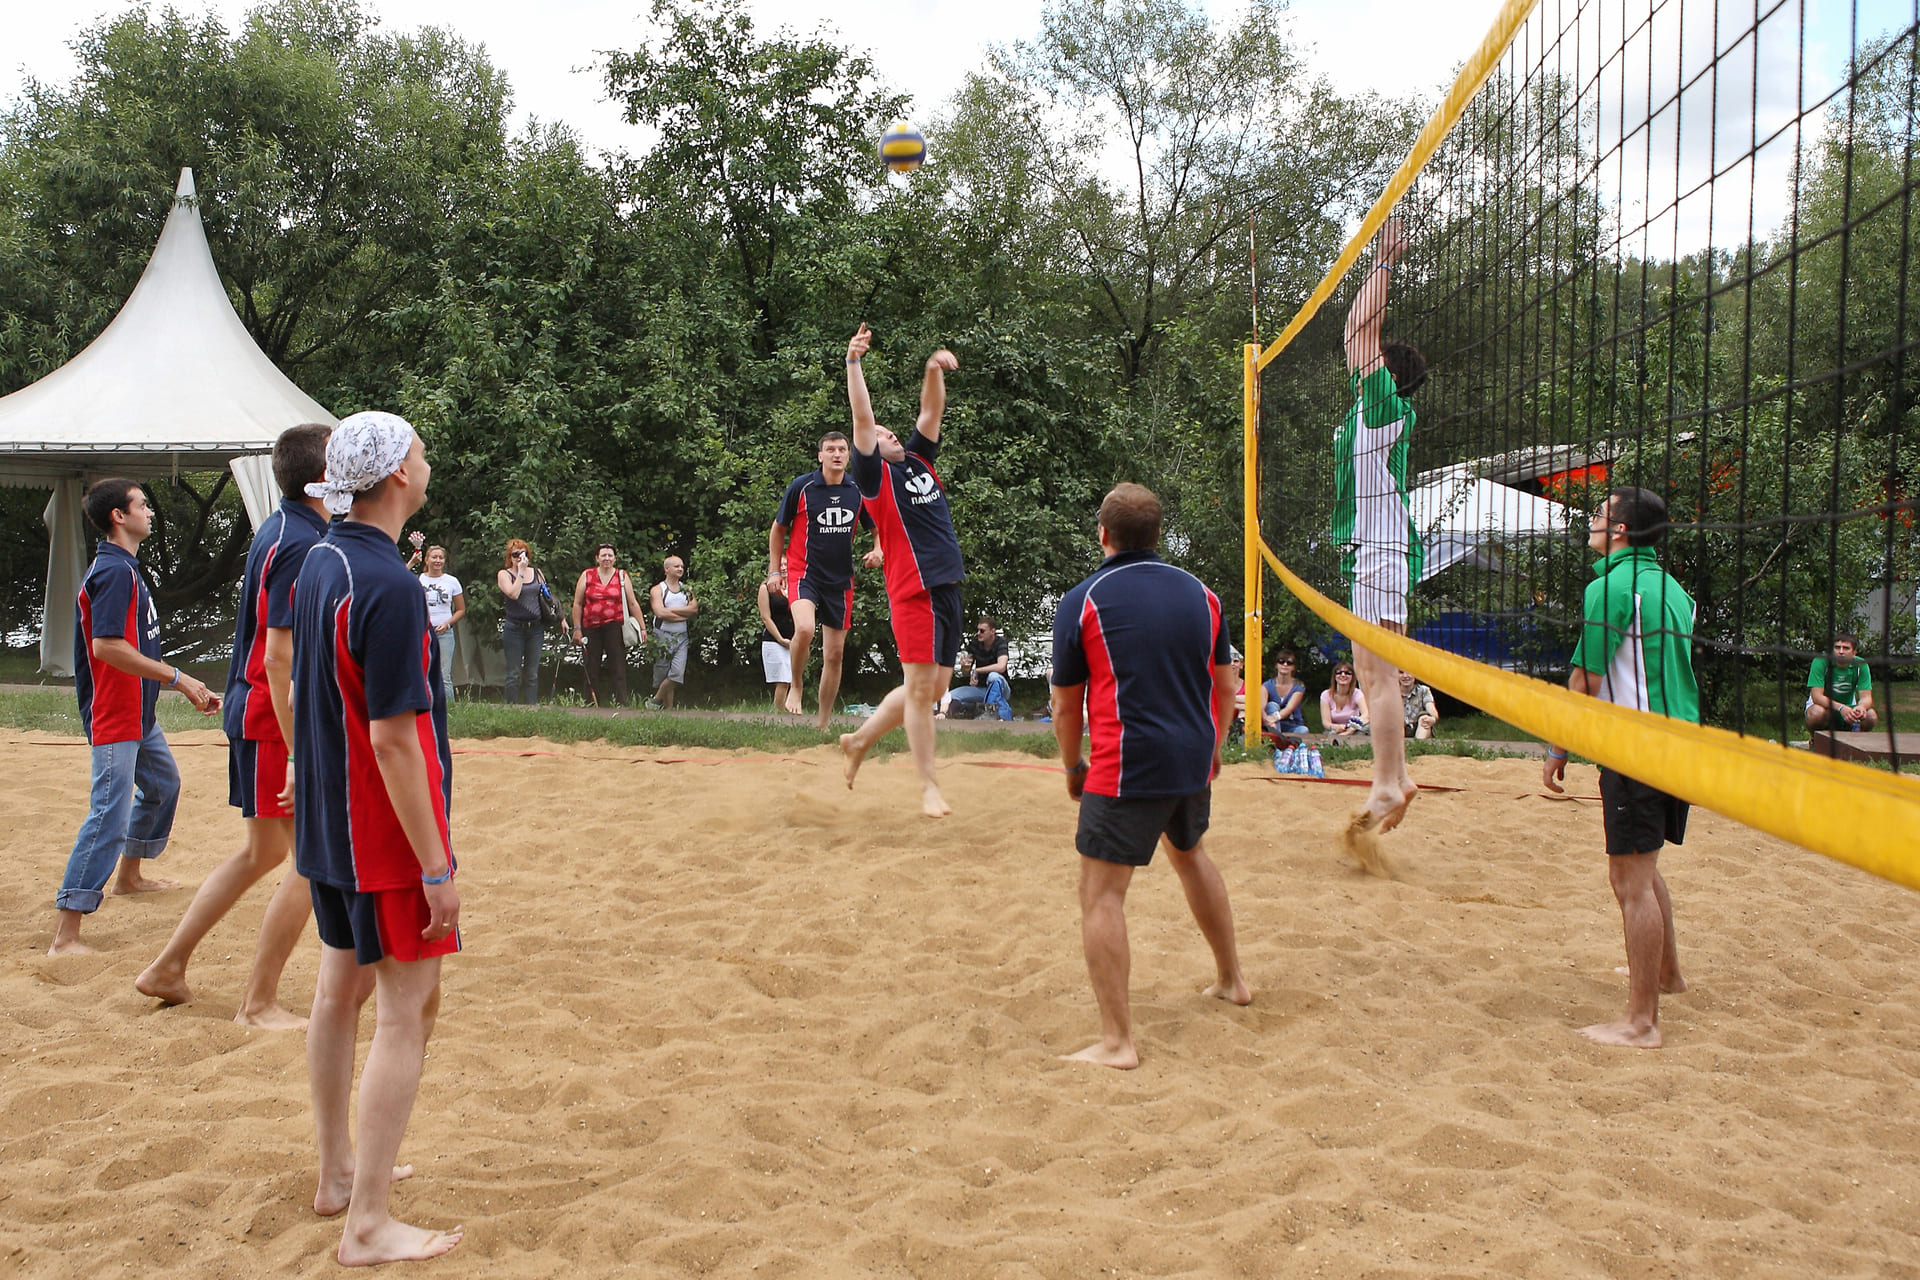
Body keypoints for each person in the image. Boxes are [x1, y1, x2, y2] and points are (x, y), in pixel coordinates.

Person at [292, 411, 463, 1264]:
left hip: (331, 822)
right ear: (397, 473)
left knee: (339, 993)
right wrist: (437, 865)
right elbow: (395, 739)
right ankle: (366, 1223)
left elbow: (309, 688)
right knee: (407, 1010)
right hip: (382, 832)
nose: (428, 463)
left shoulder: (320, 558)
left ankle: (337, 1175)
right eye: (419, 452)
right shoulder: (389, 585)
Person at [134, 424, 329, 1025]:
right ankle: (258, 1003)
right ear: (323, 479)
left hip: (256, 711)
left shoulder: (283, 525)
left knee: (262, 853)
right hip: (272, 718)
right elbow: (278, 656)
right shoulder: (300, 542)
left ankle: (168, 967)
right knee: (310, 862)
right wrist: (298, 752)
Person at [1051, 482, 1250, 1069]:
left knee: (1100, 894)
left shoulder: (1084, 599)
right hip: (1191, 757)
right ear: (1157, 535)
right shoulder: (1202, 594)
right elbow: (1227, 688)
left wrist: (1072, 765)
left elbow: (1065, 706)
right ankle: (1232, 980)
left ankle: (1117, 1043)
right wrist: (1214, 747)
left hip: (1127, 763)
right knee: (1191, 854)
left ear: (1103, 534)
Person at [1543, 486, 1700, 1049]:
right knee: (1646, 866)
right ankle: (1668, 975)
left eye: (1599, 513)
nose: (1591, 520)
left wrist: (1559, 746)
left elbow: (1585, 679)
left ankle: (1641, 1023)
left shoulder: (1610, 587)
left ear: (1621, 531)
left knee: (1629, 880)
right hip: (1681, 745)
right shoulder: (1675, 590)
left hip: (1637, 748)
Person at [48, 480, 221, 955]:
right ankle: (66, 933)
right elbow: (107, 647)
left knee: (163, 786)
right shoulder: (112, 572)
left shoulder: (126, 567)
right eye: (141, 505)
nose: (149, 511)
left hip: (138, 713)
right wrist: (179, 679)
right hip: (114, 714)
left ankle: (129, 877)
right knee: (108, 814)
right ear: (119, 517)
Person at [837, 324, 965, 818]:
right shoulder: (874, 477)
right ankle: (929, 786)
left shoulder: (918, 460)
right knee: (920, 691)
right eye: (882, 434)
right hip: (913, 589)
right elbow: (862, 417)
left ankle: (859, 739)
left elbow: (931, 412)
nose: (889, 434)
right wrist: (854, 363)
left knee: (933, 689)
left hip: (946, 585)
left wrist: (933, 368)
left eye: (893, 432)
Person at [1335, 214, 1425, 852]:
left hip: (1383, 552)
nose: (1358, 363)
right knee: (1373, 671)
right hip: (1375, 551)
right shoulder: (1372, 410)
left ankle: (1390, 782)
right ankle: (1394, 778)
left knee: (1377, 674)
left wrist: (1383, 260)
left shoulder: (1385, 405)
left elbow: (1356, 329)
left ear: (1387, 373)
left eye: (1372, 363)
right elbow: (1357, 338)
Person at [770, 431, 882, 729]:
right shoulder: (802, 487)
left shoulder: (857, 490)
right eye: (830, 449)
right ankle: (796, 684)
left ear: (849, 456)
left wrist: (878, 550)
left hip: (840, 579)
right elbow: (778, 529)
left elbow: (877, 529)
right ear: (820, 455)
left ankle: (822, 723)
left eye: (842, 449)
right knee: (805, 628)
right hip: (803, 572)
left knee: (834, 655)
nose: (836, 454)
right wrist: (774, 570)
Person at [569, 544, 645, 707]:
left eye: (610, 555)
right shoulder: (587, 575)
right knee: (591, 666)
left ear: (615, 558)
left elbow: (632, 603)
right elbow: (577, 603)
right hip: (590, 627)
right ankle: (590, 703)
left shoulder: (622, 576)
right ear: (597, 558)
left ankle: (621, 703)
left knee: (618, 666)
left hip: (614, 626)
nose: (607, 558)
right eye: (603, 555)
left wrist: (642, 628)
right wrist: (577, 628)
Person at [497, 539, 549, 705]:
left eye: (522, 553)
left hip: (535, 628)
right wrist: (520, 573)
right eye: (515, 554)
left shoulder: (537, 573)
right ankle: (511, 708)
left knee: (532, 673)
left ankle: (531, 708)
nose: (519, 557)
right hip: (514, 628)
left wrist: (561, 618)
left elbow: (547, 598)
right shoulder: (504, 574)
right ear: (509, 557)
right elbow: (513, 594)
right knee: (514, 673)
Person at [648, 555, 698, 709]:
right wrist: (682, 614)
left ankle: (655, 701)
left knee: (676, 673)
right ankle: (669, 710)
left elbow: (694, 609)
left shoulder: (687, 590)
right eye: (676, 566)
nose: (680, 569)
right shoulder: (658, 589)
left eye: (682, 566)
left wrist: (670, 611)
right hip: (662, 635)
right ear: (666, 569)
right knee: (663, 673)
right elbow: (660, 612)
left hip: (682, 637)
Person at [416, 546, 464, 701]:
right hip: (422, 632)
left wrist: (447, 624)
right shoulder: (418, 580)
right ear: (426, 560)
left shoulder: (452, 581)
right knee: (421, 673)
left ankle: (449, 710)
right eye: (434, 557)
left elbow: (461, 610)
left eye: (441, 558)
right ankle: (423, 709)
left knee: (444, 676)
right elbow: (399, 581)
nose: (437, 561)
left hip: (444, 633)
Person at [1805, 634, 1876, 732]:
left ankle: (1857, 738)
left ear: (1854, 653)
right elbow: (1817, 697)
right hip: (1824, 708)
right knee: (1816, 713)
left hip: (1849, 707)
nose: (1841, 652)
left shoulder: (1860, 665)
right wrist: (1841, 708)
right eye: (1837, 648)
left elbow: (1866, 697)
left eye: (1846, 648)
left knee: (1871, 716)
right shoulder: (1821, 661)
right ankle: (1815, 738)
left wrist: (1861, 707)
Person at [958, 616, 1015, 721]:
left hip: (1001, 688)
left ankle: (991, 712)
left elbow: (1001, 667)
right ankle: (977, 709)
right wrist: (963, 666)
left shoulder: (1001, 642)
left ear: (992, 631)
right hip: (981, 688)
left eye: (982, 631)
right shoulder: (975, 643)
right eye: (978, 630)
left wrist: (977, 670)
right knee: (952, 696)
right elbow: (966, 673)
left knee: (993, 676)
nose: (978, 633)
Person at [758, 576, 795, 712]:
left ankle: (788, 711)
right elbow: (765, 617)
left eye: (786, 565)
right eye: (781, 566)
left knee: (791, 680)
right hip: (774, 640)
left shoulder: (795, 586)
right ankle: (779, 714)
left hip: (793, 641)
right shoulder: (766, 588)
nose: (784, 568)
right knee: (783, 680)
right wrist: (780, 639)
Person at [1261, 650, 1309, 741]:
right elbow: (1261, 707)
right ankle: (1277, 742)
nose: (1285, 665)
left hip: (1293, 725)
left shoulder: (1299, 686)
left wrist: (1273, 718)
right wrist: (1267, 720)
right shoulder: (1266, 686)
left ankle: (1281, 741)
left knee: (1303, 730)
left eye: (1289, 663)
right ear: (1276, 665)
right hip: (1272, 725)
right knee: (1272, 705)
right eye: (1281, 661)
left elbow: (1289, 708)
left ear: (1293, 667)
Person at [1319, 663, 1369, 739]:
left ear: (1352, 677)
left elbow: (1366, 715)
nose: (1343, 675)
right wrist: (1335, 727)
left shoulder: (1357, 693)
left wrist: (1352, 728)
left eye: (1347, 673)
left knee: (1367, 728)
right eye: (1339, 672)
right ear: (1334, 676)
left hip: (1355, 729)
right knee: (1331, 734)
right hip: (1335, 730)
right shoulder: (1326, 695)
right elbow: (1326, 722)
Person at [1399, 669, 1438, 740]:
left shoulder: (1424, 690)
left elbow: (1431, 709)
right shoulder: (1391, 691)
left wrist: (1433, 718)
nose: (1405, 676)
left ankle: (1418, 743)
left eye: (1409, 672)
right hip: (1398, 728)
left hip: (1418, 726)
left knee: (1424, 717)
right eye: (1401, 673)